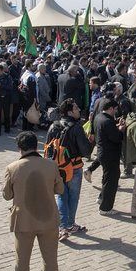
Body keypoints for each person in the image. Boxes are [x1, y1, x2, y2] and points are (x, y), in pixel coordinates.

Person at [3, 131, 64, 271]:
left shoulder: (12, 168)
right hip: (48, 219)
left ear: (19, 148)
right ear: (36, 144)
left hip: (23, 221)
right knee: (50, 259)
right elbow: (60, 190)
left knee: (22, 261)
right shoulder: (51, 165)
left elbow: (7, 195)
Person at [46, 99, 92, 240]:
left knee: (61, 195)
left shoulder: (53, 126)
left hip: (57, 167)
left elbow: (47, 147)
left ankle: (63, 228)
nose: (79, 110)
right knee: (73, 197)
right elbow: (86, 152)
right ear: (70, 112)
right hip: (74, 167)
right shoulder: (76, 127)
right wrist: (90, 141)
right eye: (77, 108)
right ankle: (70, 224)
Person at [94, 99, 126, 215]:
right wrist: (121, 130)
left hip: (103, 153)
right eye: (115, 109)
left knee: (107, 179)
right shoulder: (107, 121)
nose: (116, 112)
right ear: (111, 108)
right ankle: (105, 208)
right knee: (111, 182)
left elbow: (107, 131)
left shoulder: (99, 118)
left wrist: (116, 125)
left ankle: (101, 198)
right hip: (110, 155)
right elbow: (116, 137)